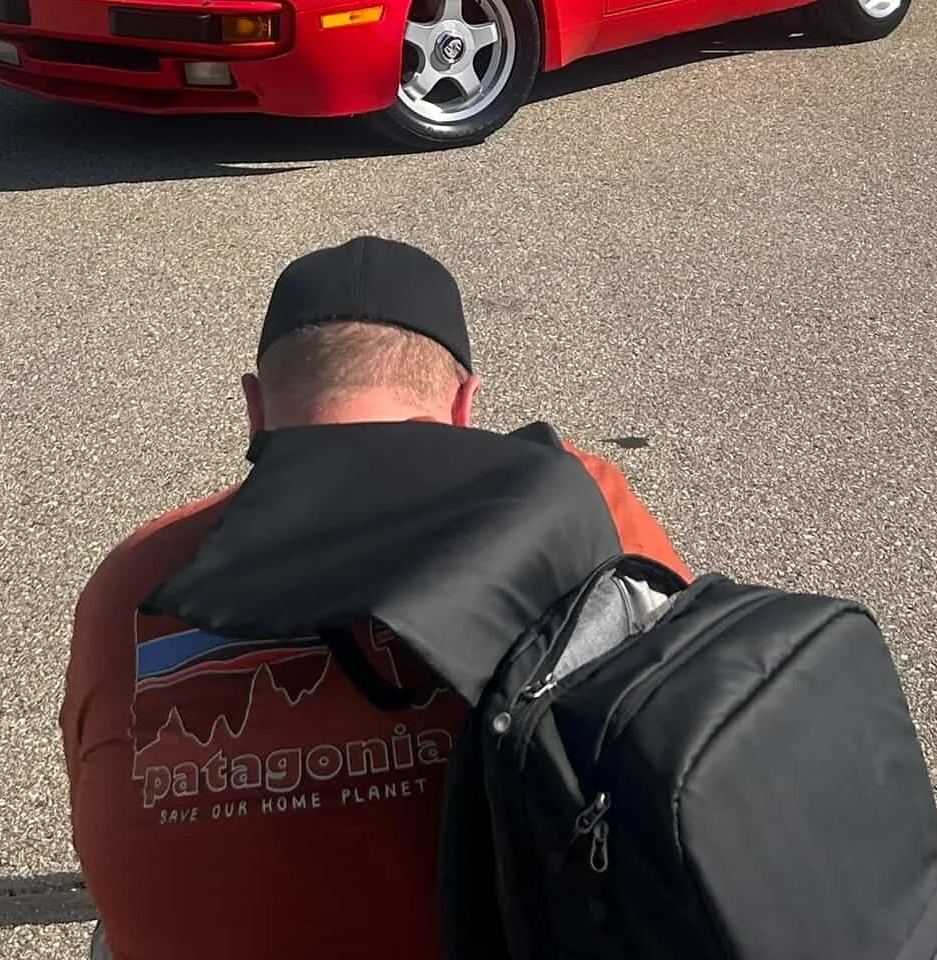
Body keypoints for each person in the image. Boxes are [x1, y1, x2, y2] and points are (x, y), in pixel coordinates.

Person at [61, 237, 688, 960]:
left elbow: (89, 775)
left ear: (254, 410)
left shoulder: (134, 576)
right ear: (464, 403)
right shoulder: (581, 497)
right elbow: (683, 707)